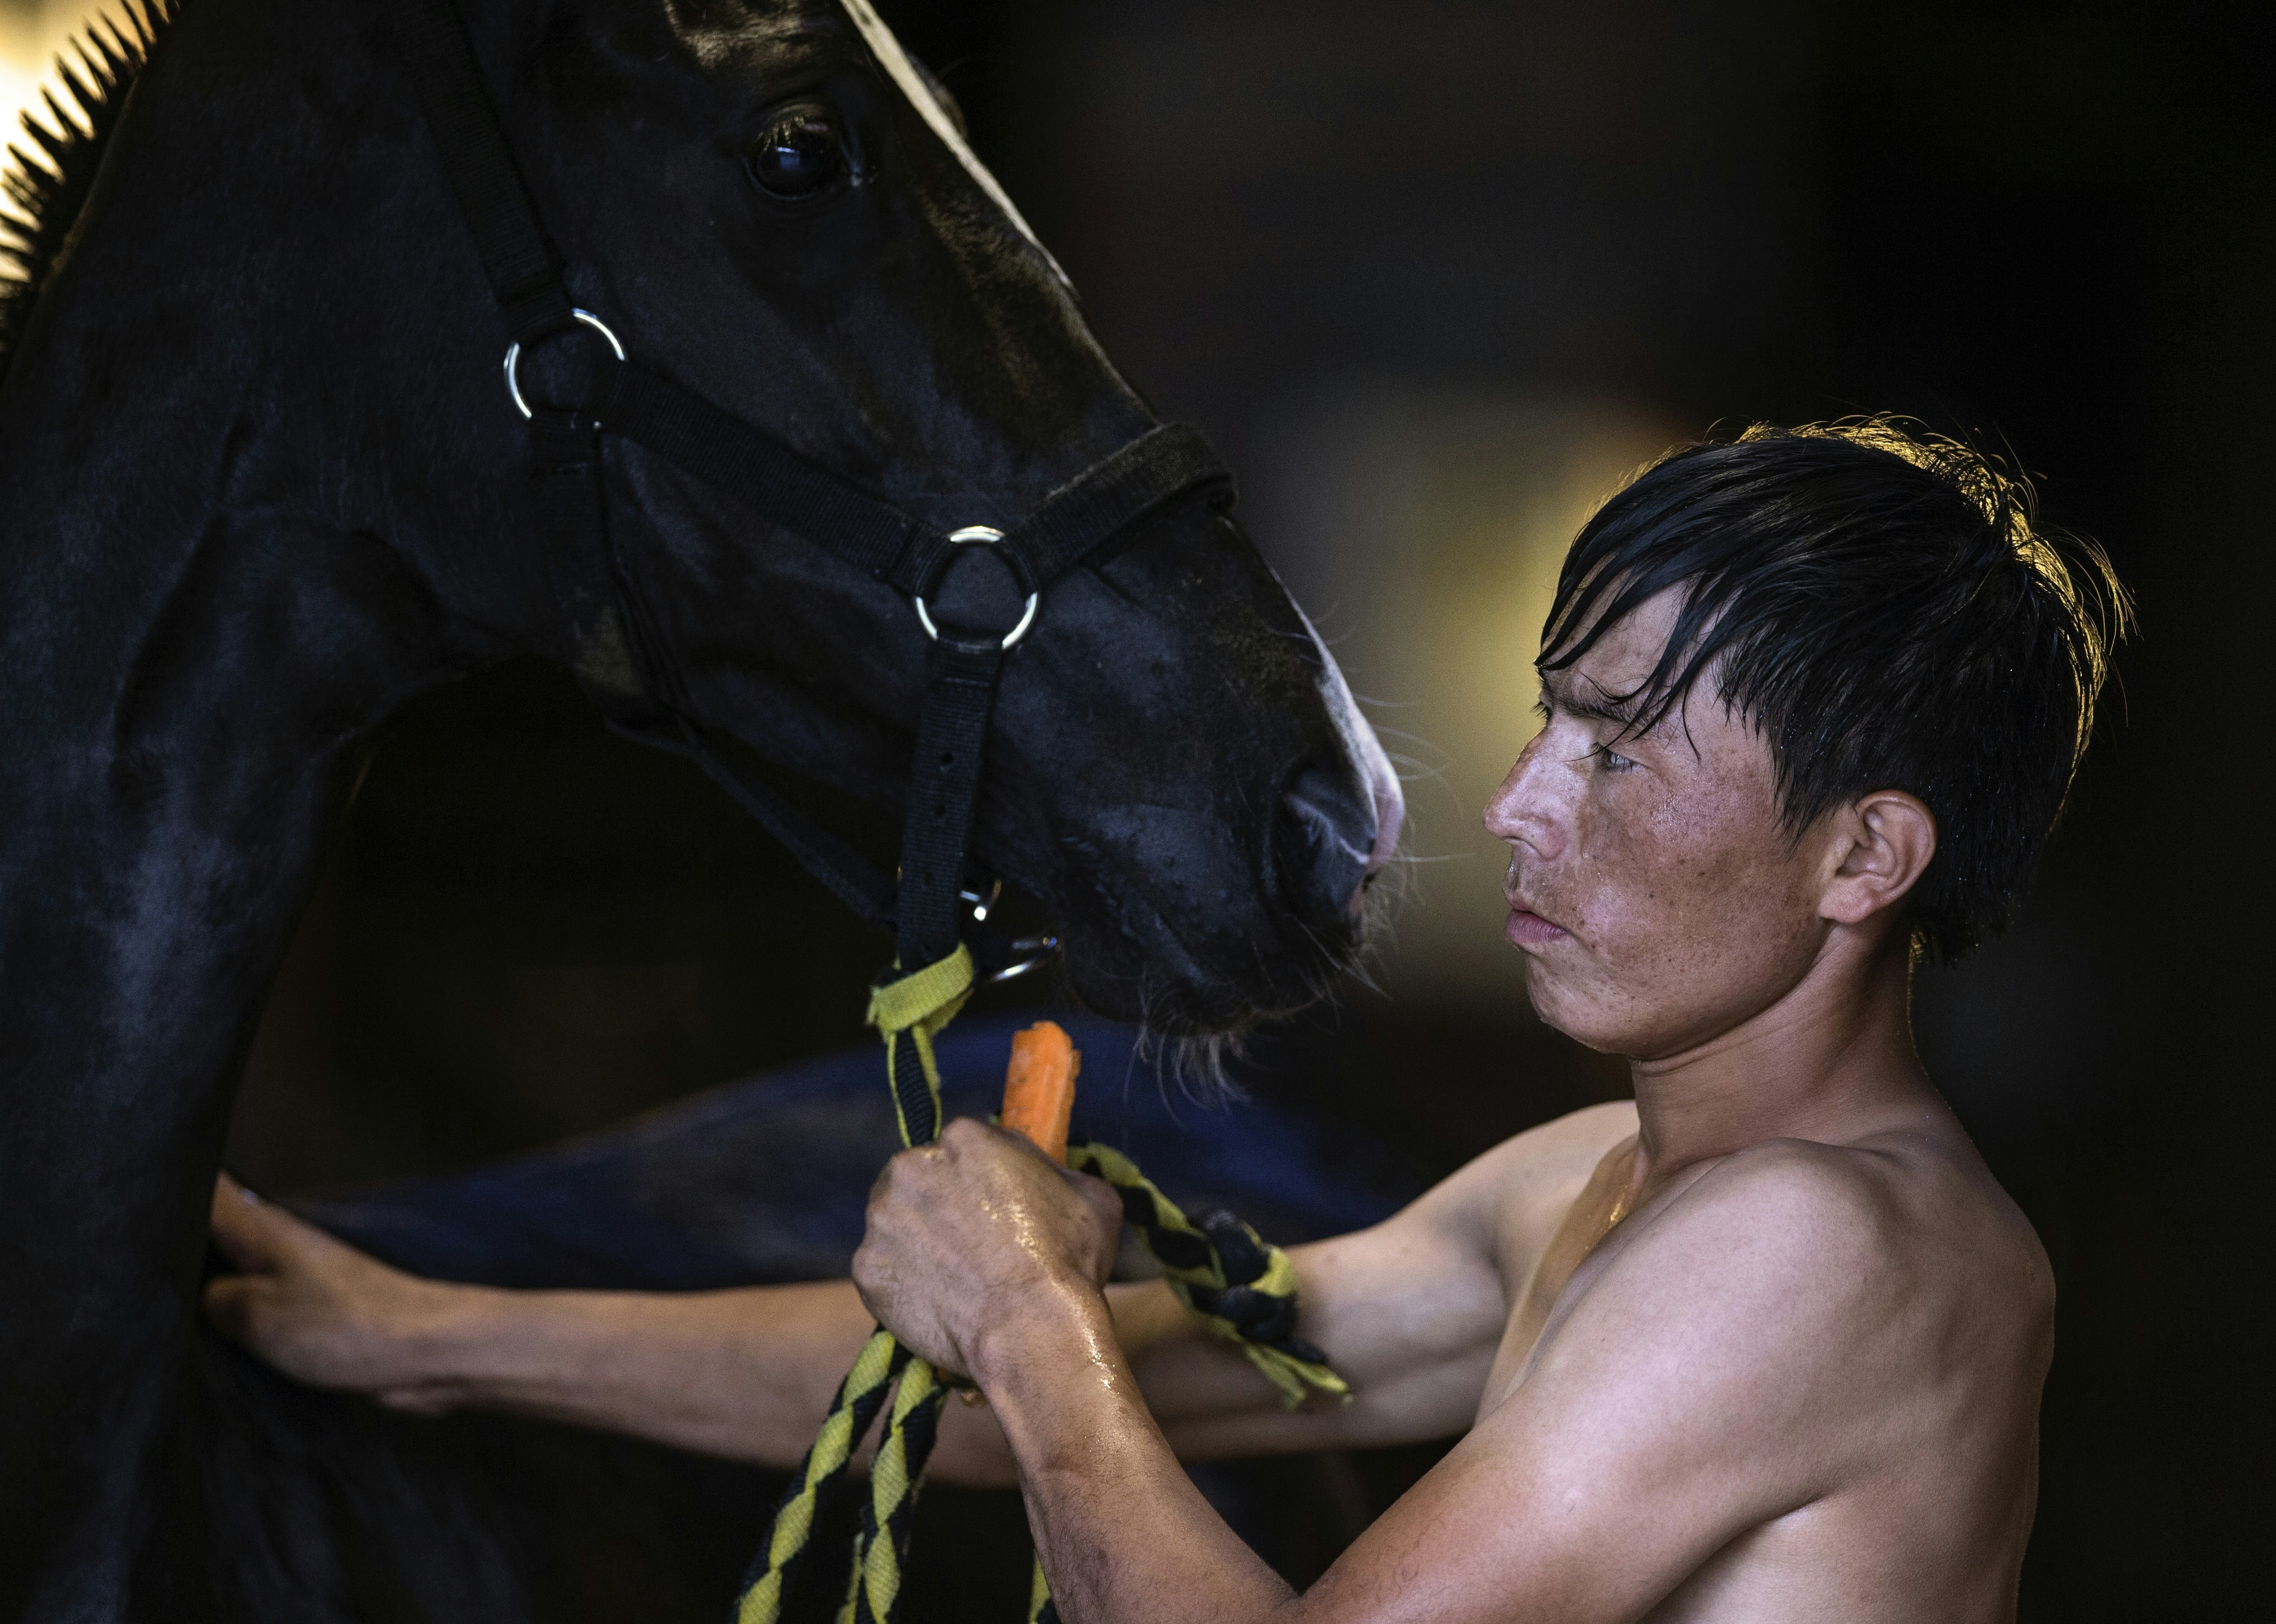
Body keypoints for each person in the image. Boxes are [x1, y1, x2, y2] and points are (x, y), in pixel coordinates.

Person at [207, 419, 2128, 1623]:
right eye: (1553, 718)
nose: (1519, 801)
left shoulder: (1818, 1248)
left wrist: (1027, 1322)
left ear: (1862, 856)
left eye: (1622, 751)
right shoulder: (1611, 1185)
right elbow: (999, 1403)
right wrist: (417, 1334)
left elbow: (1040, 1379)